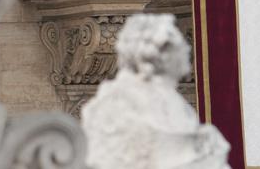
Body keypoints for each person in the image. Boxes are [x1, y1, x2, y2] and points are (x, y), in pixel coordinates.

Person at [82, 14, 230, 169]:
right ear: (162, 55)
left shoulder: (172, 99)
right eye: (180, 45)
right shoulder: (123, 100)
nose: (187, 49)